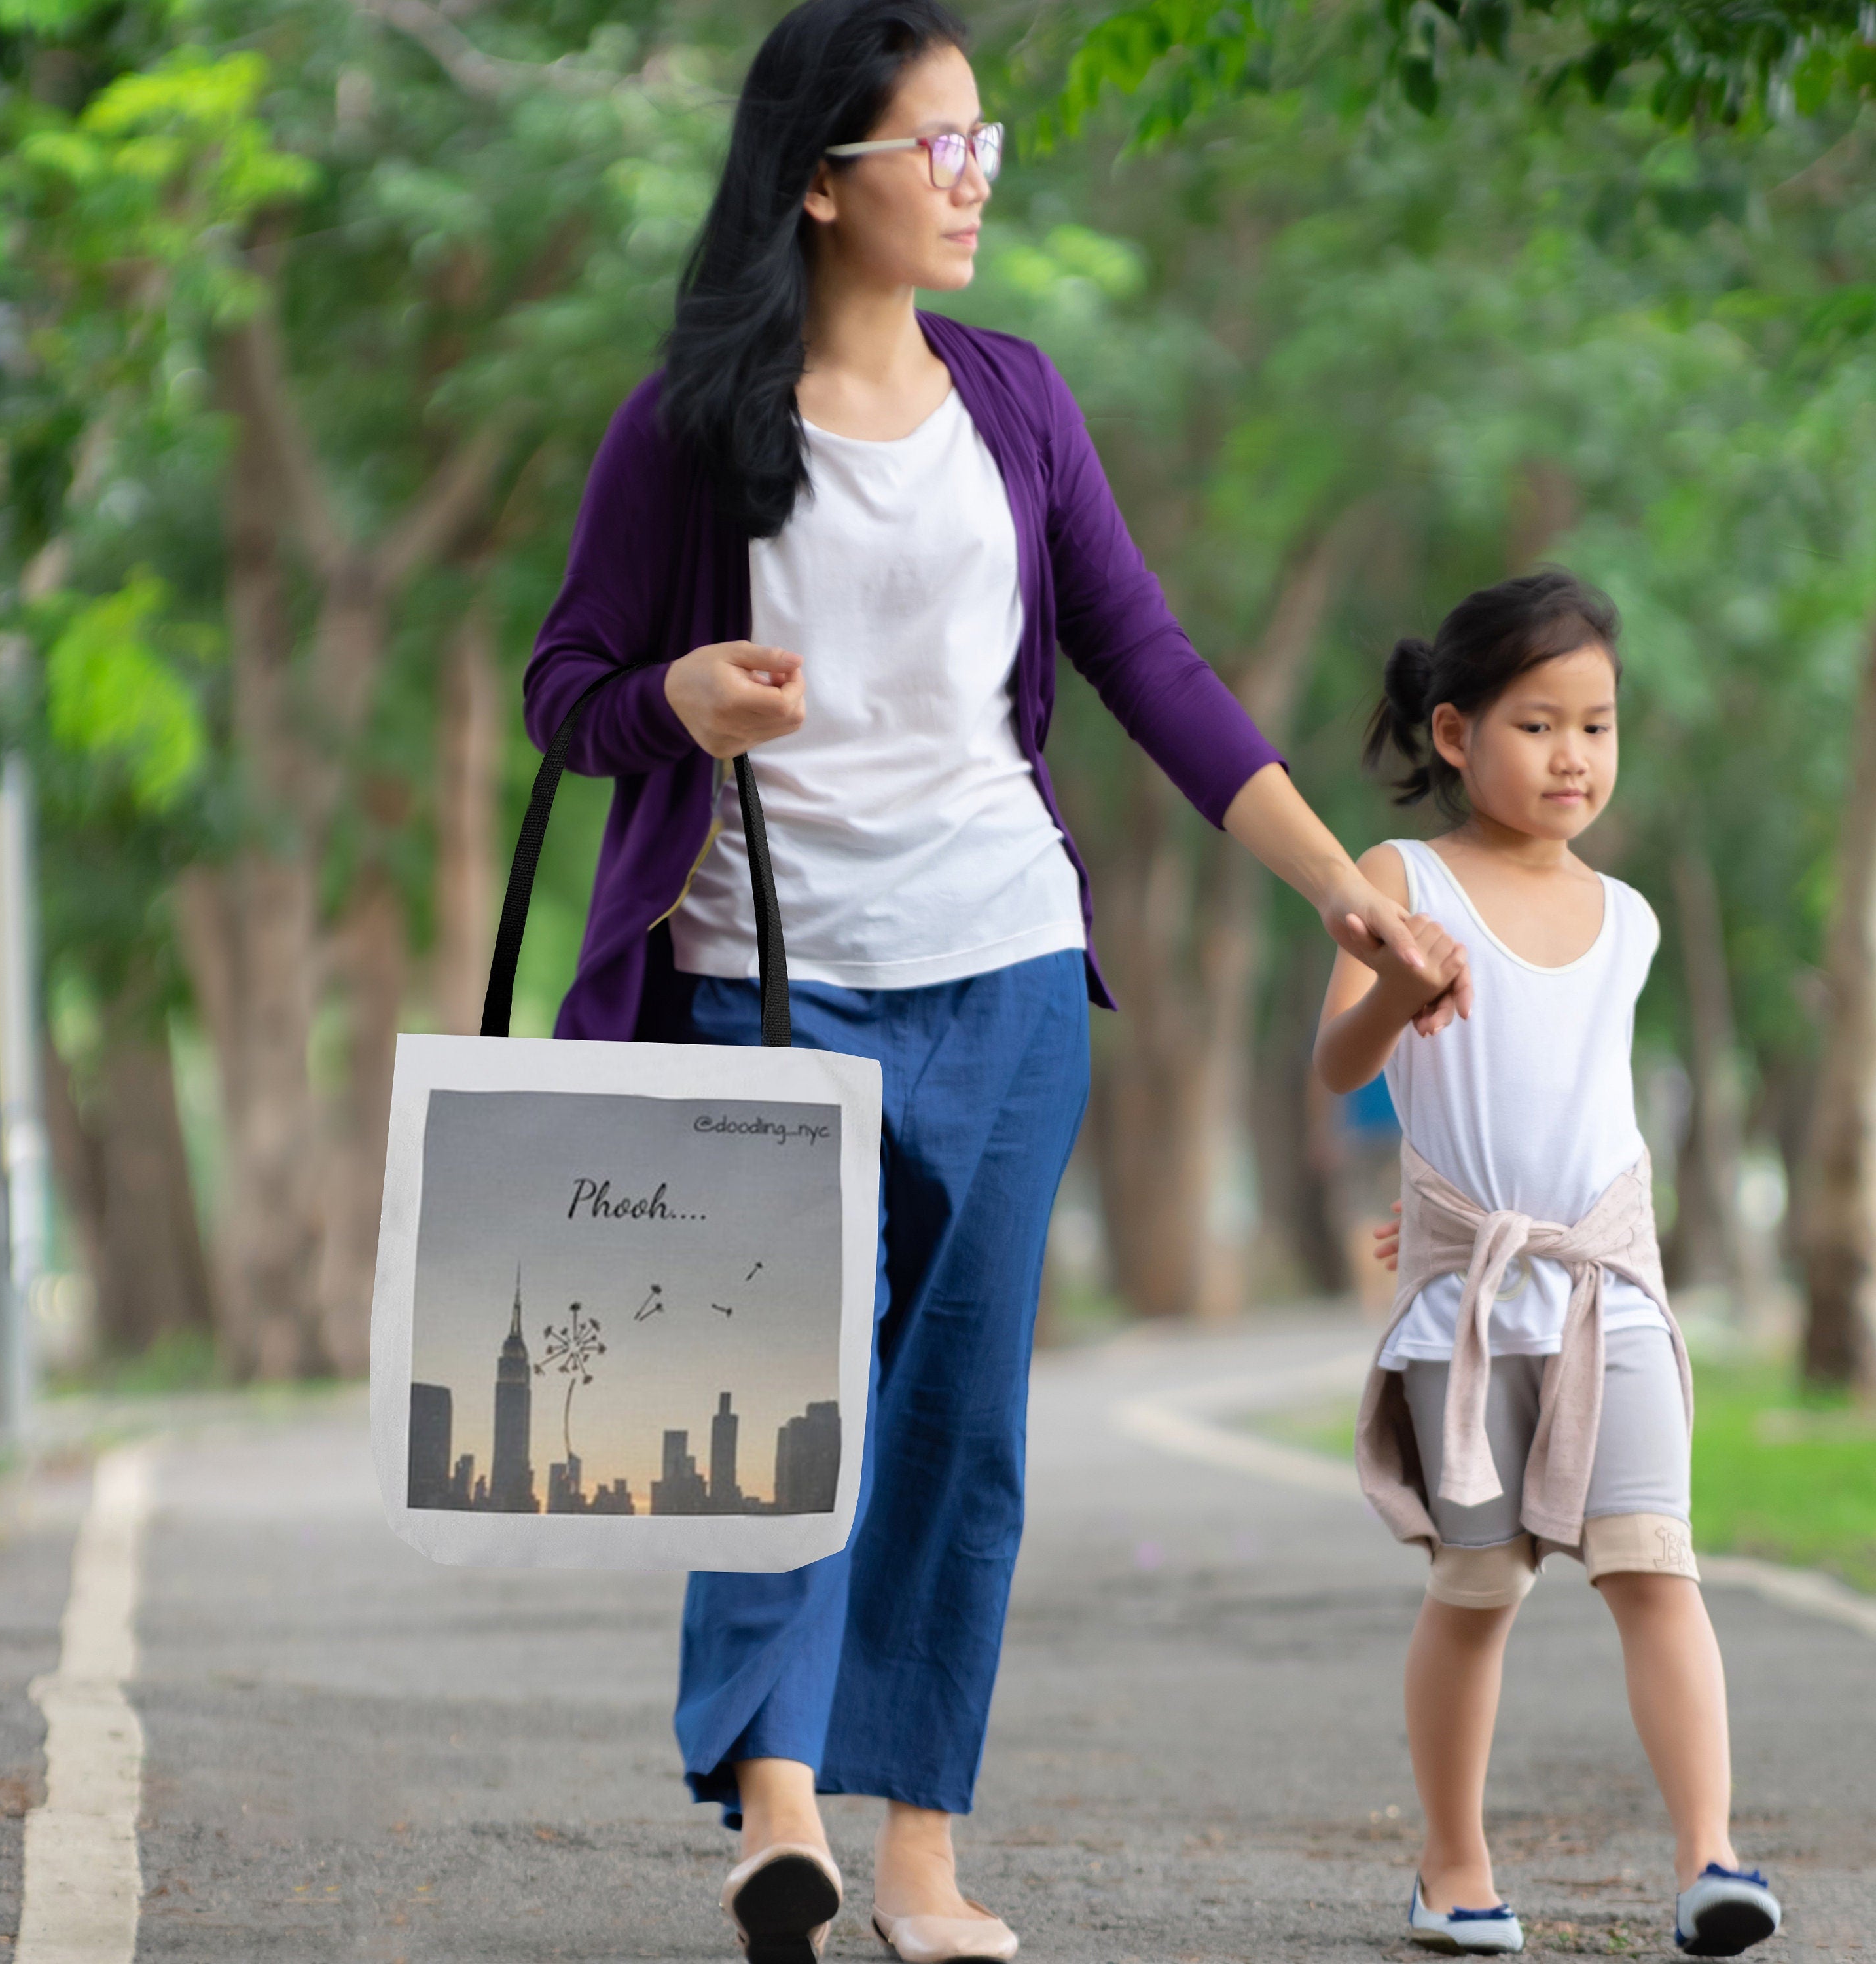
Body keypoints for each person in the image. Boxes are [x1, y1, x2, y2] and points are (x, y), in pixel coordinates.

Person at [526, 3, 1466, 1957]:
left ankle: (923, 1860)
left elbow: (1151, 661)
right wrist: (675, 698)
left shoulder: (1016, 402)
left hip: (1005, 970)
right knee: (766, 1405)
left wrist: (1335, 892)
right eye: (931, 147)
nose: (970, 180)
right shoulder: (690, 426)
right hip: (755, 983)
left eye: (984, 142)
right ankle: (776, 1807)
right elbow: (570, 688)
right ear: (816, 179)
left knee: (960, 1430)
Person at [1315, 571, 1782, 1959]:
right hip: (1466, 1308)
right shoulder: (1405, 884)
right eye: (1539, 724)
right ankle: (1452, 1866)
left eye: (1599, 723)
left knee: (1656, 1570)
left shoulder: (1628, 918)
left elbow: (1582, 1106)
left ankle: (1712, 1860)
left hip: (1608, 1292)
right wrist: (1401, 981)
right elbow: (1340, 1064)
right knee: (1475, 1592)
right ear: (1455, 734)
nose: (1575, 753)